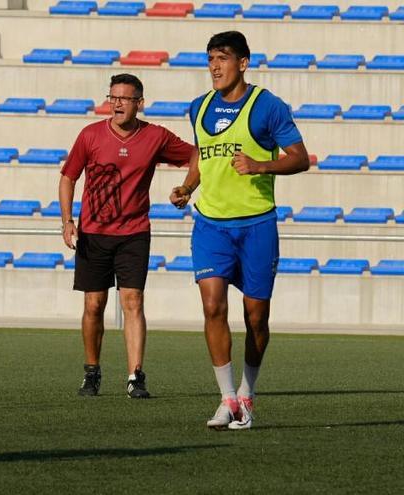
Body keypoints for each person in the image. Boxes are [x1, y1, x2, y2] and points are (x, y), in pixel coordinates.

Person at [169, 31, 310, 430]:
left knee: (256, 319)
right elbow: (201, 155)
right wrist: (187, 187)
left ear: (243, 63)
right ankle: (227, 400)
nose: (214, 66)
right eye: (210, 58)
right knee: (212, 306)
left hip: (257, 224)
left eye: (223, 58)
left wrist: (261, 165)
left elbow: (300, 158)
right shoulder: (198, 107)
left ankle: (248, 394)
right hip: (210, 223)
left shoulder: (267, 106)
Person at [59, 73, 194, 398]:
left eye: (124, 98)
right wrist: (67, 221)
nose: (117, 103)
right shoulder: (90, 135)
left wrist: (187, 188)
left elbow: (197, 155)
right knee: (94, 304)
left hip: (134, 233)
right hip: (93, 233)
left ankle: (136, 376)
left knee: (133, 301)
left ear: (139, 103)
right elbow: (68, 177)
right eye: (113, 97)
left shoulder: (156, 136)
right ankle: (91, 372)